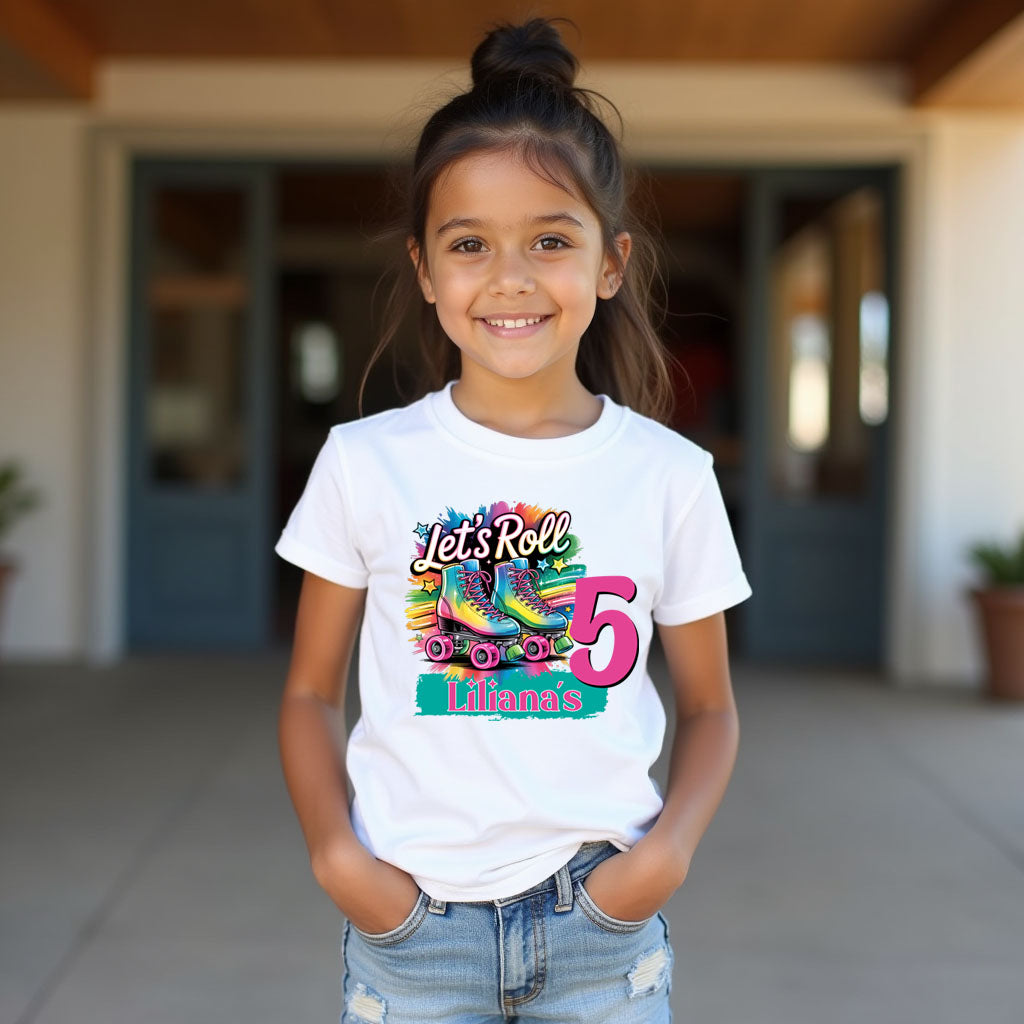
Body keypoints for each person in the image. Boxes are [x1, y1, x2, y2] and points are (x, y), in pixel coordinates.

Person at [275, 16, 752, 1024]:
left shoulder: (668, 475)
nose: (510, 277)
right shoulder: (365, 462)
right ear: (424, 269)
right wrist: (338, 858)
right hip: (411, 929)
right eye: (469, 244)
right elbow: (310, 692)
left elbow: (709, 707)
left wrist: (662, 858)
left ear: (609, 263)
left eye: (550, 238)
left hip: (601, 925)